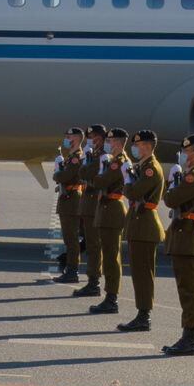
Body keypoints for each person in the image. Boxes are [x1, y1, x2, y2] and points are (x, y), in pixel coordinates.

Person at [161, 133, 194, 356]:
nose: (185, 155)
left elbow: (171, 199)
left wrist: (172, 183)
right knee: (186, 288)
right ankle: (187, 335)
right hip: (184, 234)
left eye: (188, 151)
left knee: (190, 290)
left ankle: (191, 338)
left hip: (189, 236)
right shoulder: (191, 174)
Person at [118, 129, 164, 332]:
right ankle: (141, 313)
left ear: (147, 146)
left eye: (138, 145)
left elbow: (134, 191)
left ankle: (144, 316)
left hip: (146, 225)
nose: (135, 148)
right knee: (138, 272)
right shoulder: (143, 166)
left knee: (143, 273)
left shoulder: (150, 169)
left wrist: (127, 183)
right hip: (139, 223)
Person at [88, 128, 130, 315]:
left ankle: (112, 298)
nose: (109, 145)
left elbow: (99, 182)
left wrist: (99, 175)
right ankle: (109, 296)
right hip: (108, 210)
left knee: (112, 258)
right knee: (109, 256)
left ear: (119, 143)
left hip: (113, 211)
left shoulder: (119, 162)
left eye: (111, 142)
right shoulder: (114, 161)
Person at [72, 125, 107, 298]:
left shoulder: (101, 156)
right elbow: (83, 173)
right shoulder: (93, 154)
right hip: (88, 203)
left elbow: (86, 172)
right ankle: (92, 280)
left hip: (95, 205)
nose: (91, 139)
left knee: (94, 246)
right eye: (90, 136)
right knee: (91, 245)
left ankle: (94, 283)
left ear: (101, 137)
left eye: (94, 136)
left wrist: (85, 167)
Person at [52, 128, 85, 284]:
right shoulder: (71, 157)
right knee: (69, 238)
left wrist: (57, 173)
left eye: (69, 136)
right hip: (68, 199)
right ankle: (71, 270)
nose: (66, 139)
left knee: (71, 239)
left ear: (77, 139)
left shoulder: (76, 158)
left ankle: (72, 271)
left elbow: (65, 176)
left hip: (71, 200)